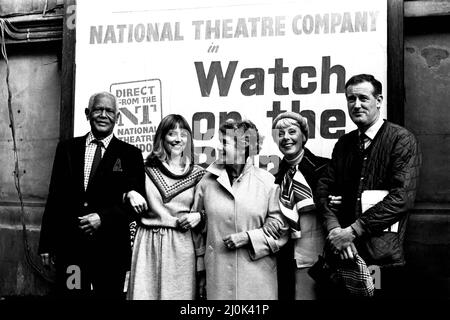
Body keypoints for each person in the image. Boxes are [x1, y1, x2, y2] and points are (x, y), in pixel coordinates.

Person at [316, 74, 421, 298]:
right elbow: (323, 190)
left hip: (381, 258)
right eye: (350, 99)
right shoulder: (344, 144)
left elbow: (401, 198)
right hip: (344, 257)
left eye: (363, 98)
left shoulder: (400, 140)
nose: (356, 105)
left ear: (379, 100)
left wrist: (353, 231)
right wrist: (335, 229)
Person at [38, 92, 145, 299]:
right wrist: (47, 244)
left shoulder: (130, 155)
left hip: (111, 253)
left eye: (109, 111)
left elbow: (136, 206)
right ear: (88, 114)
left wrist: (103, 218)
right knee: (72, 295)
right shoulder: (67, 149)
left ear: (118, 117)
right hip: (72, 251)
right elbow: (55, 198)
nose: (103, 115)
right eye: (98, 109)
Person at [193, 119, 288, 300]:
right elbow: (197, 230)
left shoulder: (267, 183)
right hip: (217, 277)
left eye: (225, 143)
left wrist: (248, 238)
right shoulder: (206, 183)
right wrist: (201, 271)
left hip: (257, 279)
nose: (220, 149)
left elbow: (281, 229)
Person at [126, 114, 205, 300]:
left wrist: (200, 216)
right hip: (147, 242)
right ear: (161, 137)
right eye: (171, 134)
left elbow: (213, 210)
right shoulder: (144, 169)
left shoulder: (200, 174)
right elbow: (115, 195)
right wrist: (128, 193)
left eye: (183, 134)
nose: (178, 139)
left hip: (182, 245)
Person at [268, 112, 334, 300]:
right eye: (280, 134)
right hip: (288, 259)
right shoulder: (274, 179)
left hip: (322, 257)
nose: (286, 138)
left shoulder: (326, 168)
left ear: (303, 136)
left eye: (291, 131)